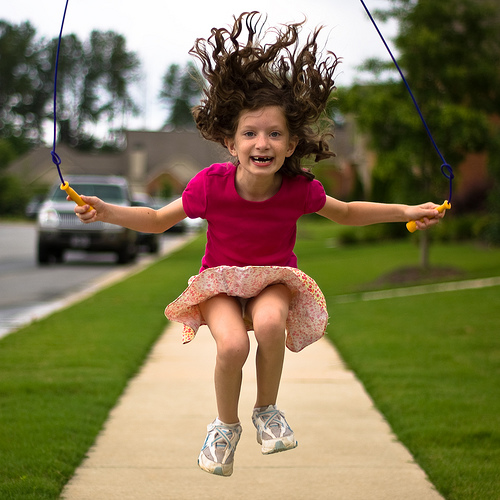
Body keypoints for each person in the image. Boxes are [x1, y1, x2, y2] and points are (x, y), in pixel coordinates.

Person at [72, 12, 447, 477]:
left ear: (291, 145)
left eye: (274, 134)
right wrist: (104, 211)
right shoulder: (210, 185)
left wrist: (408, 211)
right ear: (230, 143)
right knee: (231, 347)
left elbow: (348, 212)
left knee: (270, 325)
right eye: (249, 133)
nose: (261, 142)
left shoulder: (298, 189)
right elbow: (153, 219)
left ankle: (266, 411)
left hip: (272, 278)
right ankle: (224, 427)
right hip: (220, 285)